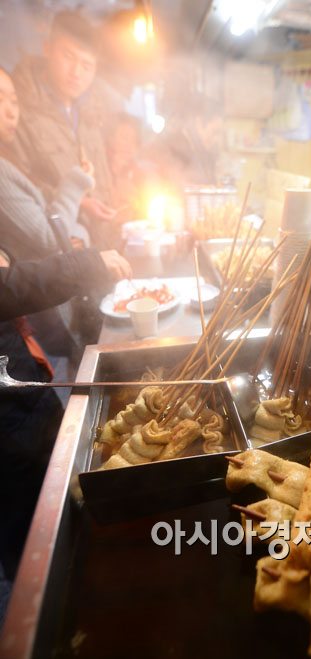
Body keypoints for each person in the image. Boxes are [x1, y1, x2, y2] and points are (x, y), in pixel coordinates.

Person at [0, 246, 131, 580]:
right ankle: (39, 582)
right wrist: (86, 264)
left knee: (56, 464)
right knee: (26, 504)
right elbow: (8, 286)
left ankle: (77, 550)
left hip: (18, 378)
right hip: (9, 417)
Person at [12, 10, 119, 247]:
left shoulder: (92, 112)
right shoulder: (19, 108)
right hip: (55, 245)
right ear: (47, 48)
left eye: (87, 65)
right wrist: (79, 201)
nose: (76, 73)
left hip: (98, 243)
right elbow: (16, 185)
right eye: (68, 57)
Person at [0, 66, 92, 259]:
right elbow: (51, 238)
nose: (12, 112)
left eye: (14, 101)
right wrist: (76, 183)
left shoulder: (9, 161)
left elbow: (52, 223)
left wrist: (77, 234)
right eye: (0, 100)